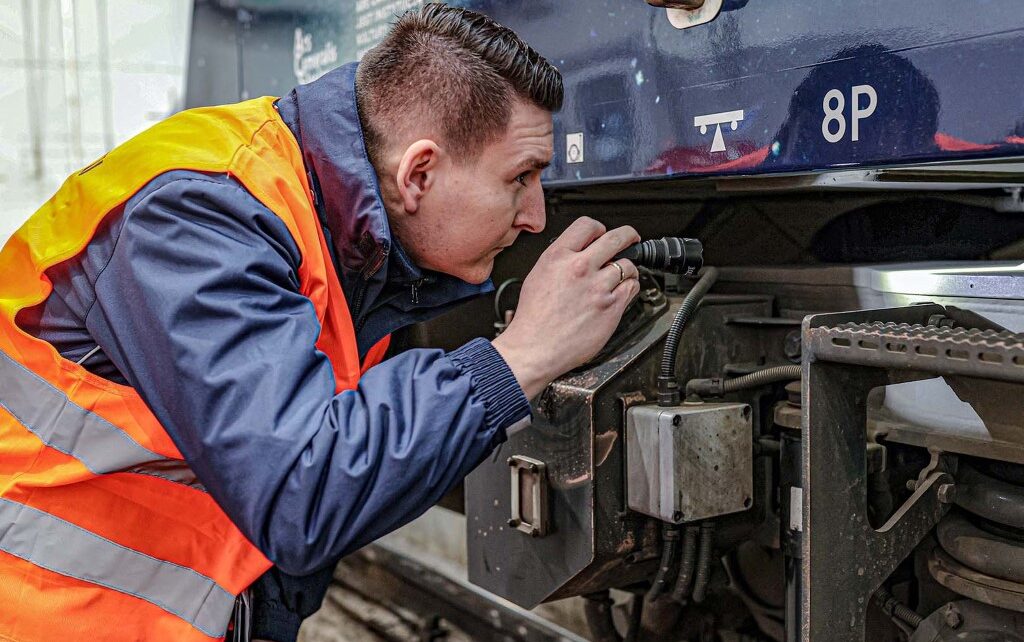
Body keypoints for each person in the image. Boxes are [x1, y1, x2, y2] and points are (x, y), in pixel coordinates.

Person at [0, 5, 640, 642]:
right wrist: (521, 356)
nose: (534, 215)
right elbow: (300, 494)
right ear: (417, 173)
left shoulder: (339, 235)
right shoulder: (198, 216)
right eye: (520, 178)